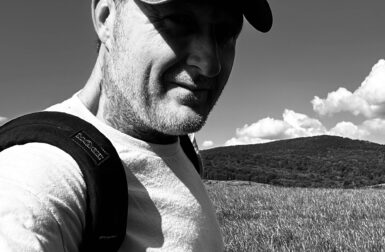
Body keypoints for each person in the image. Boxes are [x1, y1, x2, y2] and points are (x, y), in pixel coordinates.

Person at [0, 0, 272, 251]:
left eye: (226, 33)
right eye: (178, 20)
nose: (210, 65)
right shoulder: (37, 179)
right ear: (107, 18)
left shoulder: (181, 145)